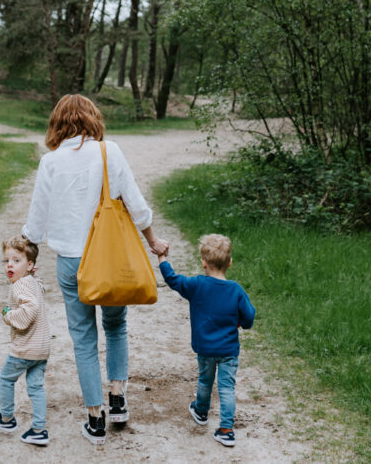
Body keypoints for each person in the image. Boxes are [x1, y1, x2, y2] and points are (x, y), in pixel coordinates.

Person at [22, 93, 168, 445]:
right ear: (92, 119)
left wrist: (27, 257)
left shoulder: (51, 162)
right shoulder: (109, 152)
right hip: (110, 258)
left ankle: (95, 419)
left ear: (58, 123)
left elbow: (35, 224)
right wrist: (152, 242)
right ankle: (118, 399)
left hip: (71, 262)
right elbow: (136, 204)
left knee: (84, 339)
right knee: (116, 326)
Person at [158, 233, 256, 448]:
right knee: (227, 388)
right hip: (229, 350)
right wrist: (240, 322)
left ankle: (201, 412)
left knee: (205, 381)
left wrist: (162, 259)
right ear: (229, 263)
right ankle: (226, 430)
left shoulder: (196, 285)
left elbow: (173, 280)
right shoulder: (236, 290)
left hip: (205, 349)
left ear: (203, 263)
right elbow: (249, 318)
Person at [0, 236, 51, 446]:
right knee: (35, 387)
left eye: (17, 261)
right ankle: (39, 430)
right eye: (7, 261)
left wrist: (8, 315)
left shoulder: (20, 286)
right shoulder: (32, 282)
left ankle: (7, 419)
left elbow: (29, 311)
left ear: (30, 265)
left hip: (24, 349)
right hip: (41, 349)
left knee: (6, 378)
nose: (9, 265)